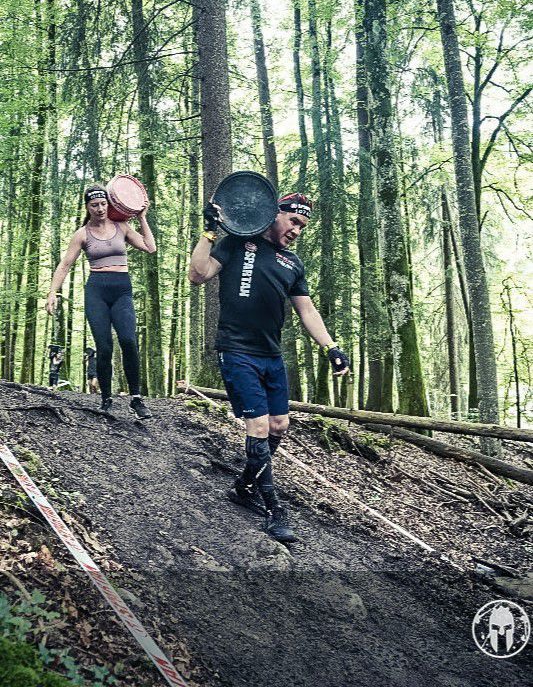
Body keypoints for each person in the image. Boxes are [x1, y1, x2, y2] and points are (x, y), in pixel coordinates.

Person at [188, 191, 350, 543]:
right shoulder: (234, 243)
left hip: (271, 354)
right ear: (275, 214)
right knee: (258, 425)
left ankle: (244, 486)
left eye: (303, 227)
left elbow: (307, 310)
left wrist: (332, 347)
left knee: (279, 426)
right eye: (293, 221)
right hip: (236, 350)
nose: (297, 230)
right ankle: (274, 508)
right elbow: (197, 275)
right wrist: (209, 231)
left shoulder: (292, 263)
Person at [45, 184, 156, 420]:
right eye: (94, 205)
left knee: (128, 340)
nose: (100, 208)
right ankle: (106, 398)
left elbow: (150, 247)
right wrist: (52, 292)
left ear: (109, 203)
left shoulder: (122, 227)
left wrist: (143, 218)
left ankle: (136, 398)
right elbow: (65, 265)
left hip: (121, 290)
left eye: (103, 203)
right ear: (87, 207)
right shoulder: (82, 234)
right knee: (104, 347)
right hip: (96, 291)